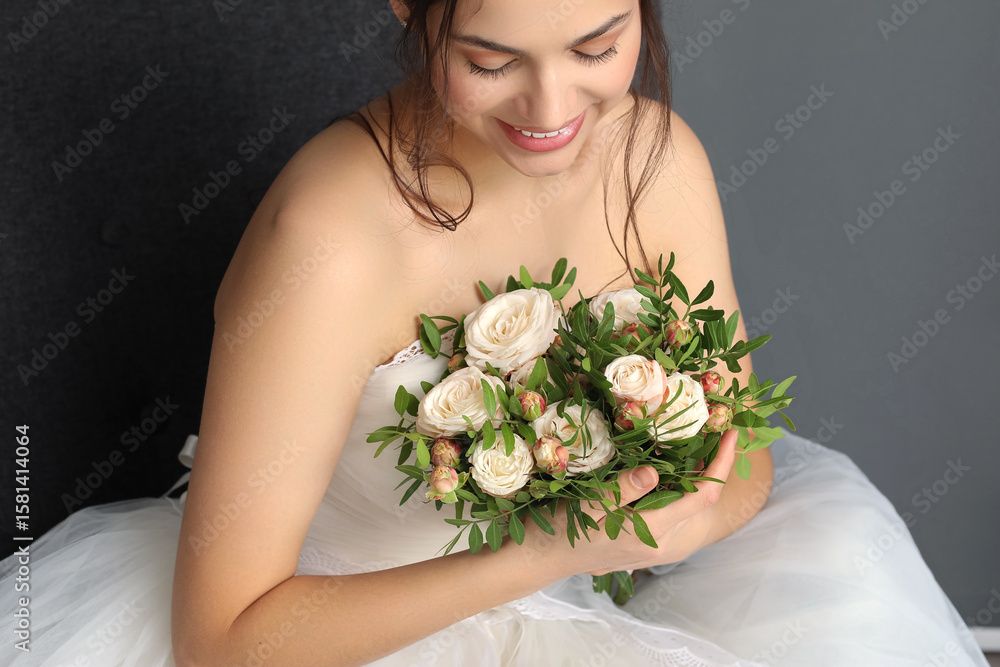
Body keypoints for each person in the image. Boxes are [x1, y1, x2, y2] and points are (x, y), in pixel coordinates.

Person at [0, 1, 989, 665]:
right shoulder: (329, 238)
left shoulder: (655, 158)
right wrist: (549, 548)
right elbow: (223, 639)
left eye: (597, 47)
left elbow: (738, 445)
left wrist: (678, 516)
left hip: (600, 612)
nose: (554, 110)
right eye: (490, 60)